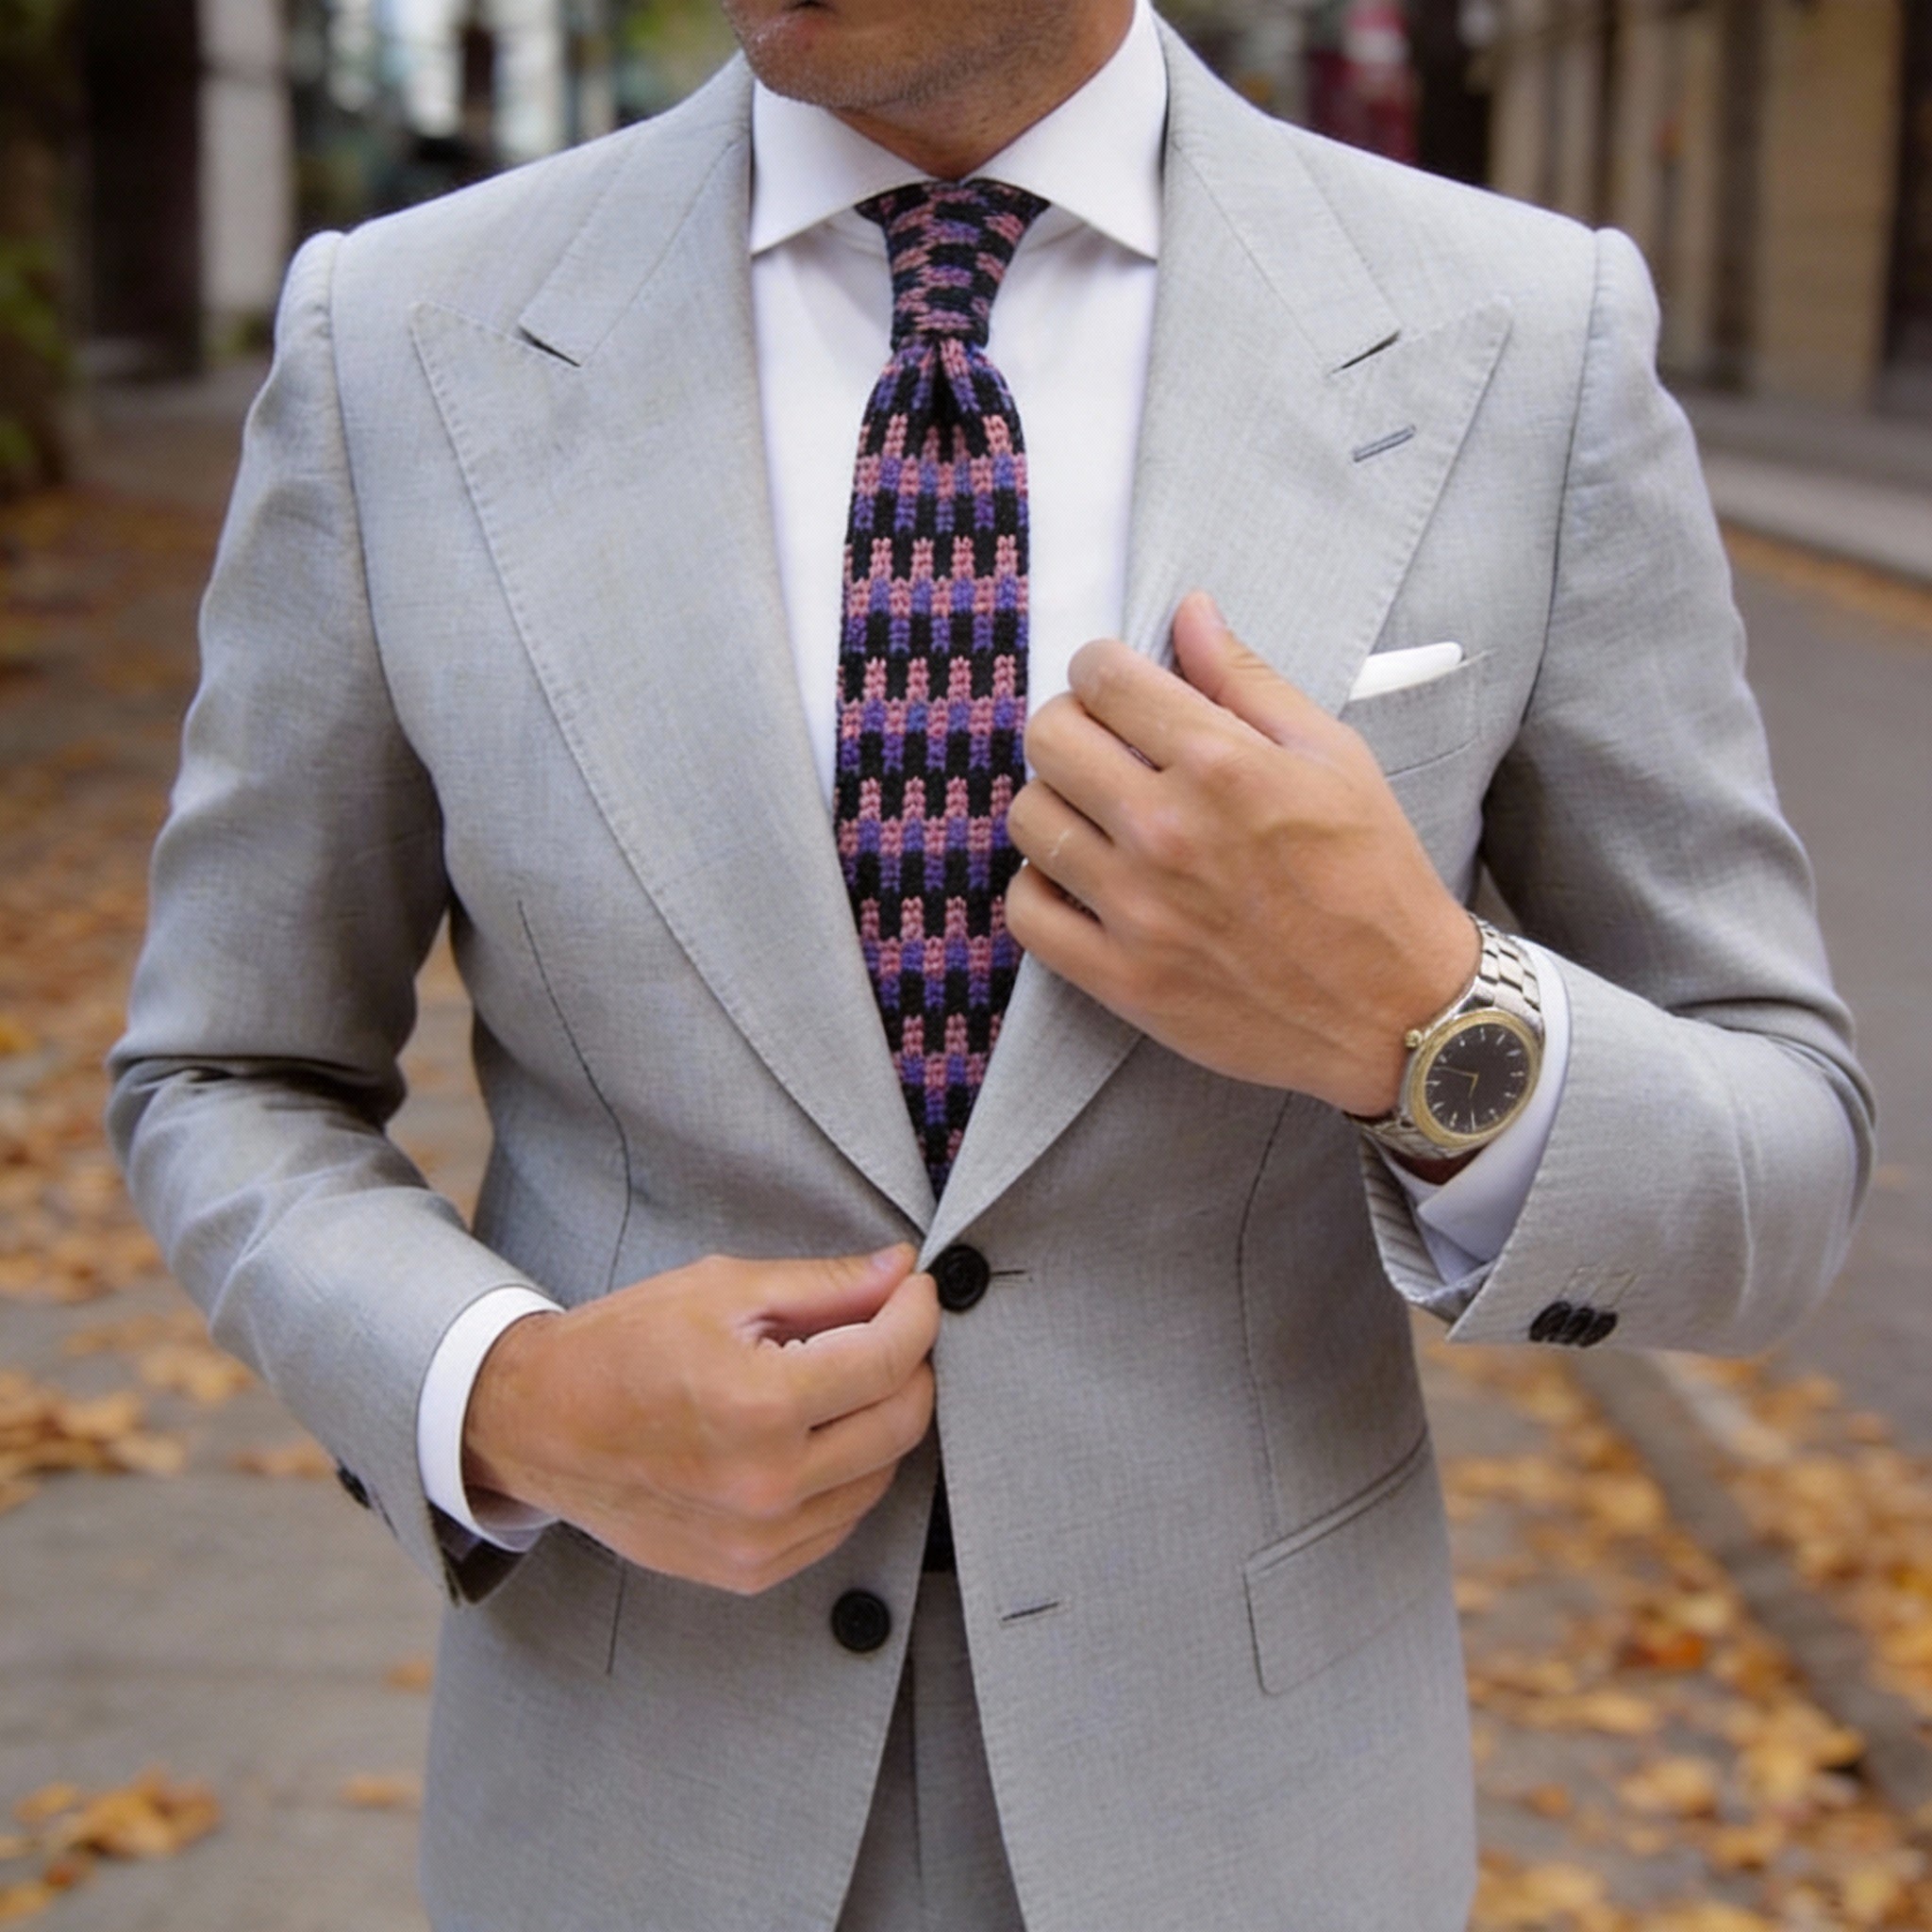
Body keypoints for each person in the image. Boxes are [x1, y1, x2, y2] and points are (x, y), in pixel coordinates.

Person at [108, 0, 1873, 1924]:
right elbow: (228, 1068)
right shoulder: (401, 339)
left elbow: (1781, 1170)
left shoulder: (1522, 341)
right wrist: (501, 1392)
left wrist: (1424, 1023)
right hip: (634, 1813)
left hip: (1253, 1823)